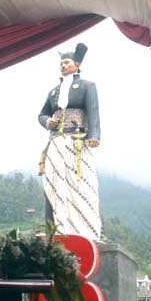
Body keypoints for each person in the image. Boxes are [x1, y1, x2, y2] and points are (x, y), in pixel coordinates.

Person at [38, 43, 101, 240]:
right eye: (61, 63)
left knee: (81, 184)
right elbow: (42, 114)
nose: (63, 66)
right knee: (54, 182)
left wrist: (94, 136)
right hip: (56, 141)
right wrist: (49, 121)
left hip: (77, 141)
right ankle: (56, 228)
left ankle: (84, 230)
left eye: (66, 62)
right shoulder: (53, 92)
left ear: (77, 64)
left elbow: (93, 112)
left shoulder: (87, 86)